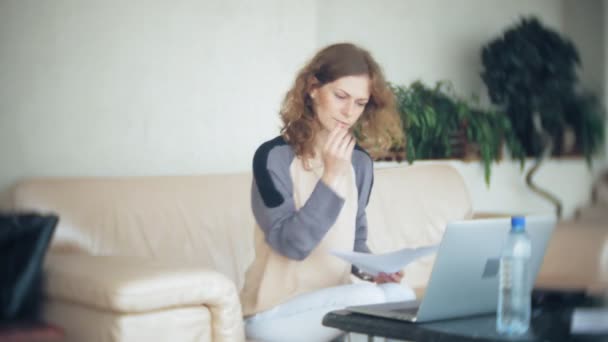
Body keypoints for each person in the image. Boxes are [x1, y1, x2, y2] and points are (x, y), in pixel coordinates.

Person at [240, 43, 414, 342]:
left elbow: (355, 241)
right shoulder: (272, 158)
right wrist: (331, 176)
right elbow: (293, 246)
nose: (349, 112)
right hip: (273, 313)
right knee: (368, 302)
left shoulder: (359, 163)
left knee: (402, 294)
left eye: (360, 103)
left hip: (335, 302)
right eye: (341, 96)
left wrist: (375, 271)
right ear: (313, 88)